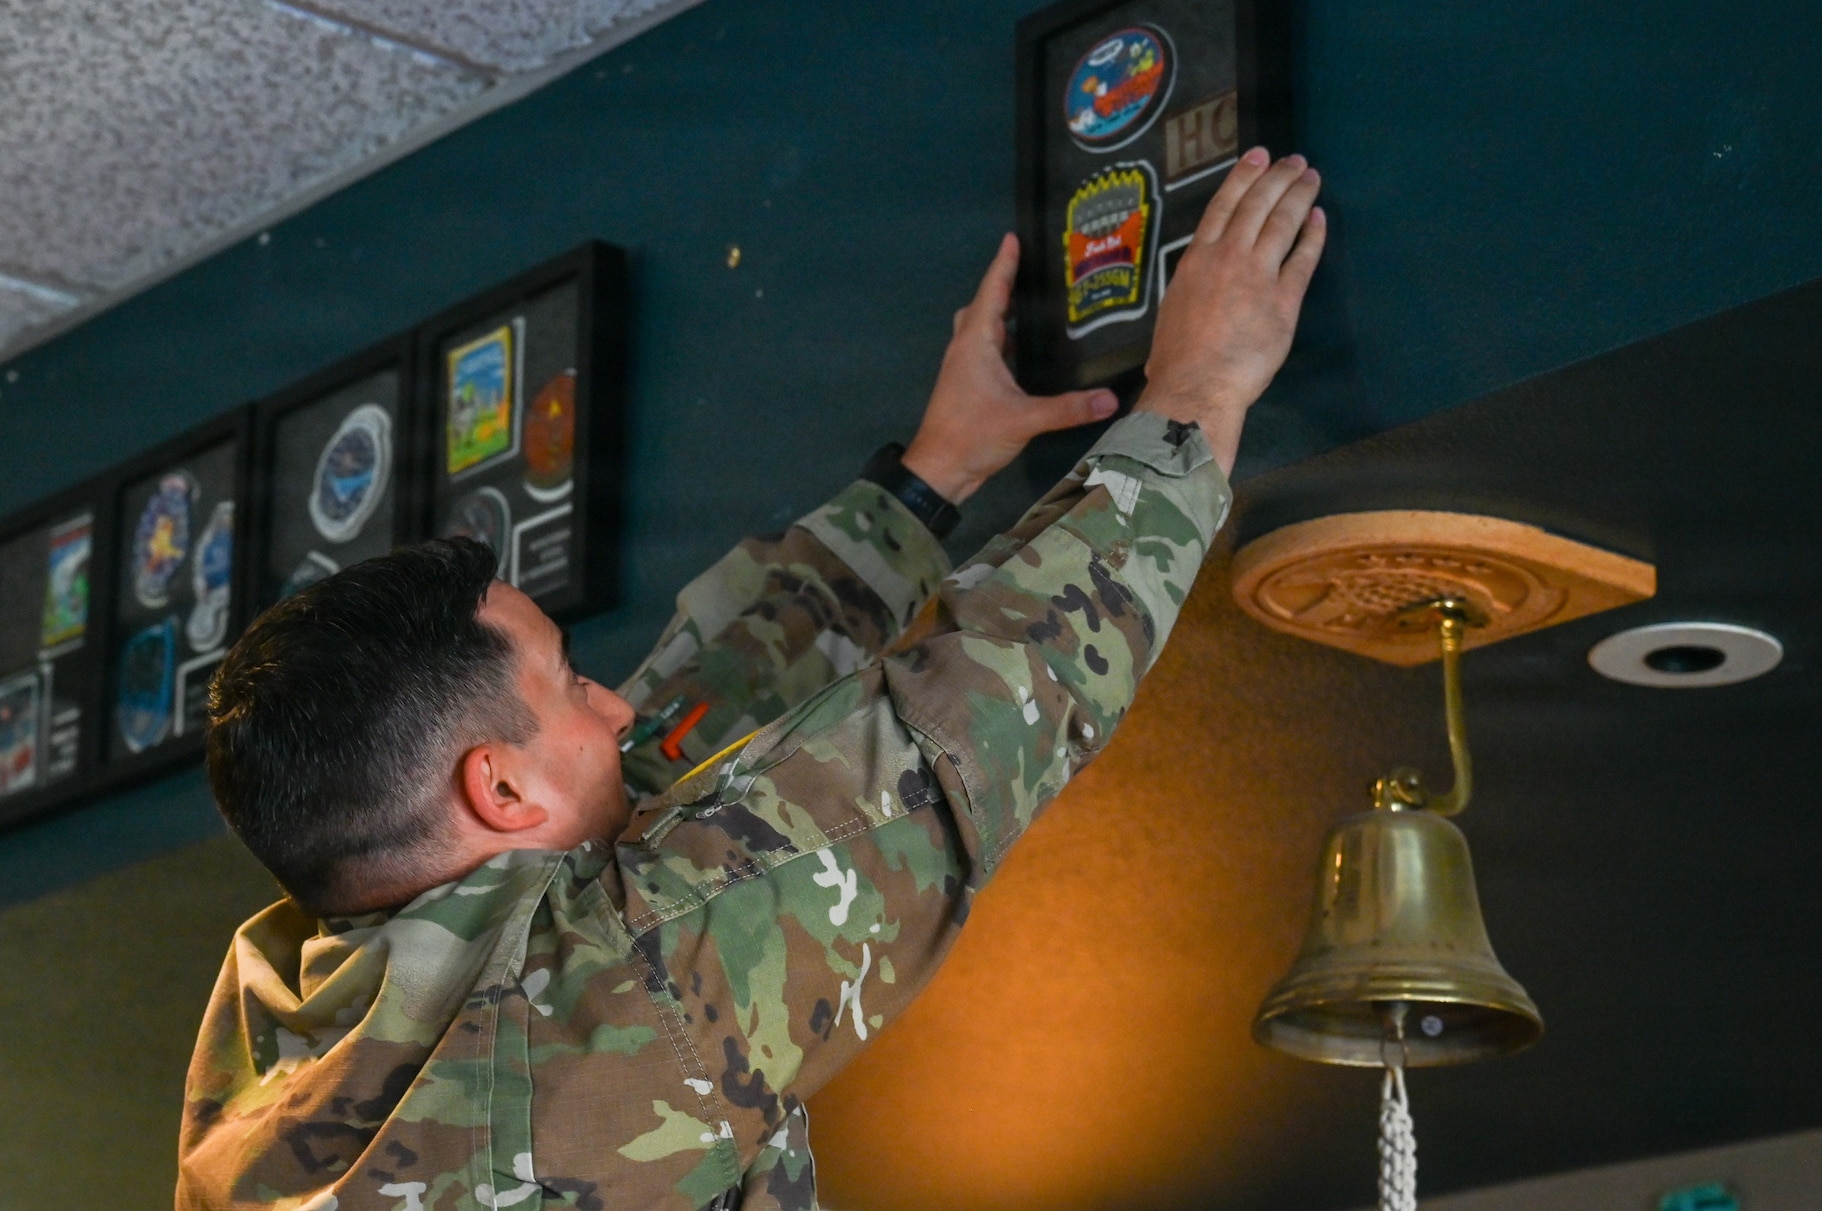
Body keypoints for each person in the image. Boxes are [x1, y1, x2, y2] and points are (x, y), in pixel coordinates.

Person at [178, 149, 1325, 1211]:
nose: (614, 703)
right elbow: (955, 729)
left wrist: (929, 482)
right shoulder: (600, 1005)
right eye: (575, 681)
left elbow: (666, 757)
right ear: (498, 793)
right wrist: (1196, 395)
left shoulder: (278, 1031)